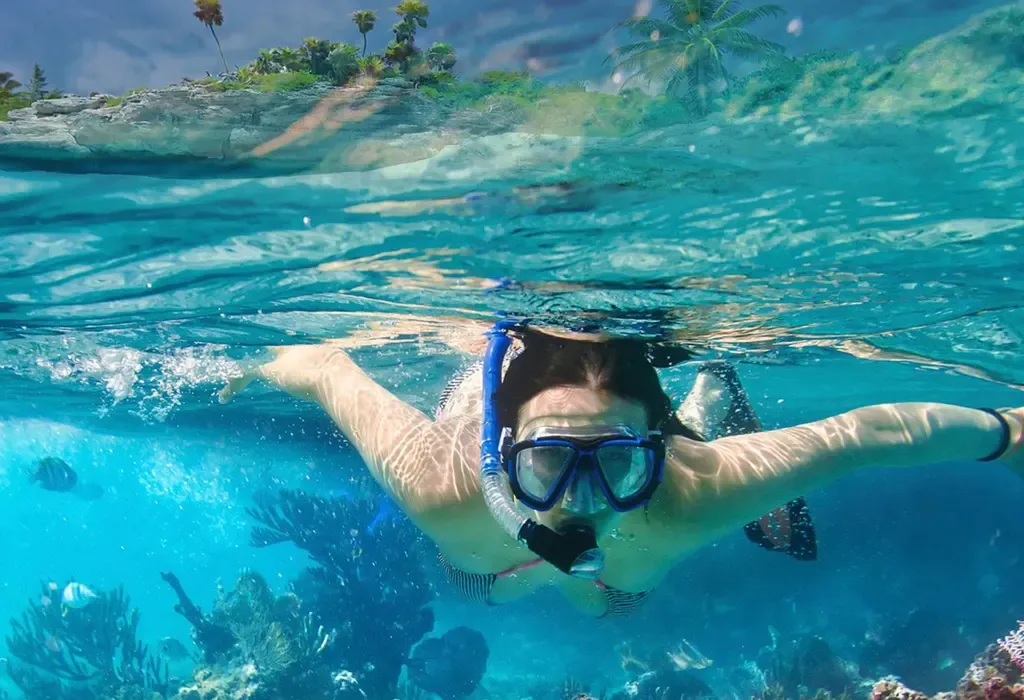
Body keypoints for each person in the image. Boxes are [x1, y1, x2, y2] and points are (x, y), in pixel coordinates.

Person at [219, 321, 1024, 619]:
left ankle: (705, 398)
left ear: (658, 455)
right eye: (547, 462)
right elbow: (328, 366)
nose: (581, 502)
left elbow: (868, 432)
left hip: (631, 558)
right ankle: (697, 402)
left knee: (614, 597)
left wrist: (1011, 431)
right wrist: (258, 366)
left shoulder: (694, 490)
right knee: (484, 583)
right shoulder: (441, 484)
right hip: (484, 549)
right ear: (504, 455)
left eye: (618, 466)